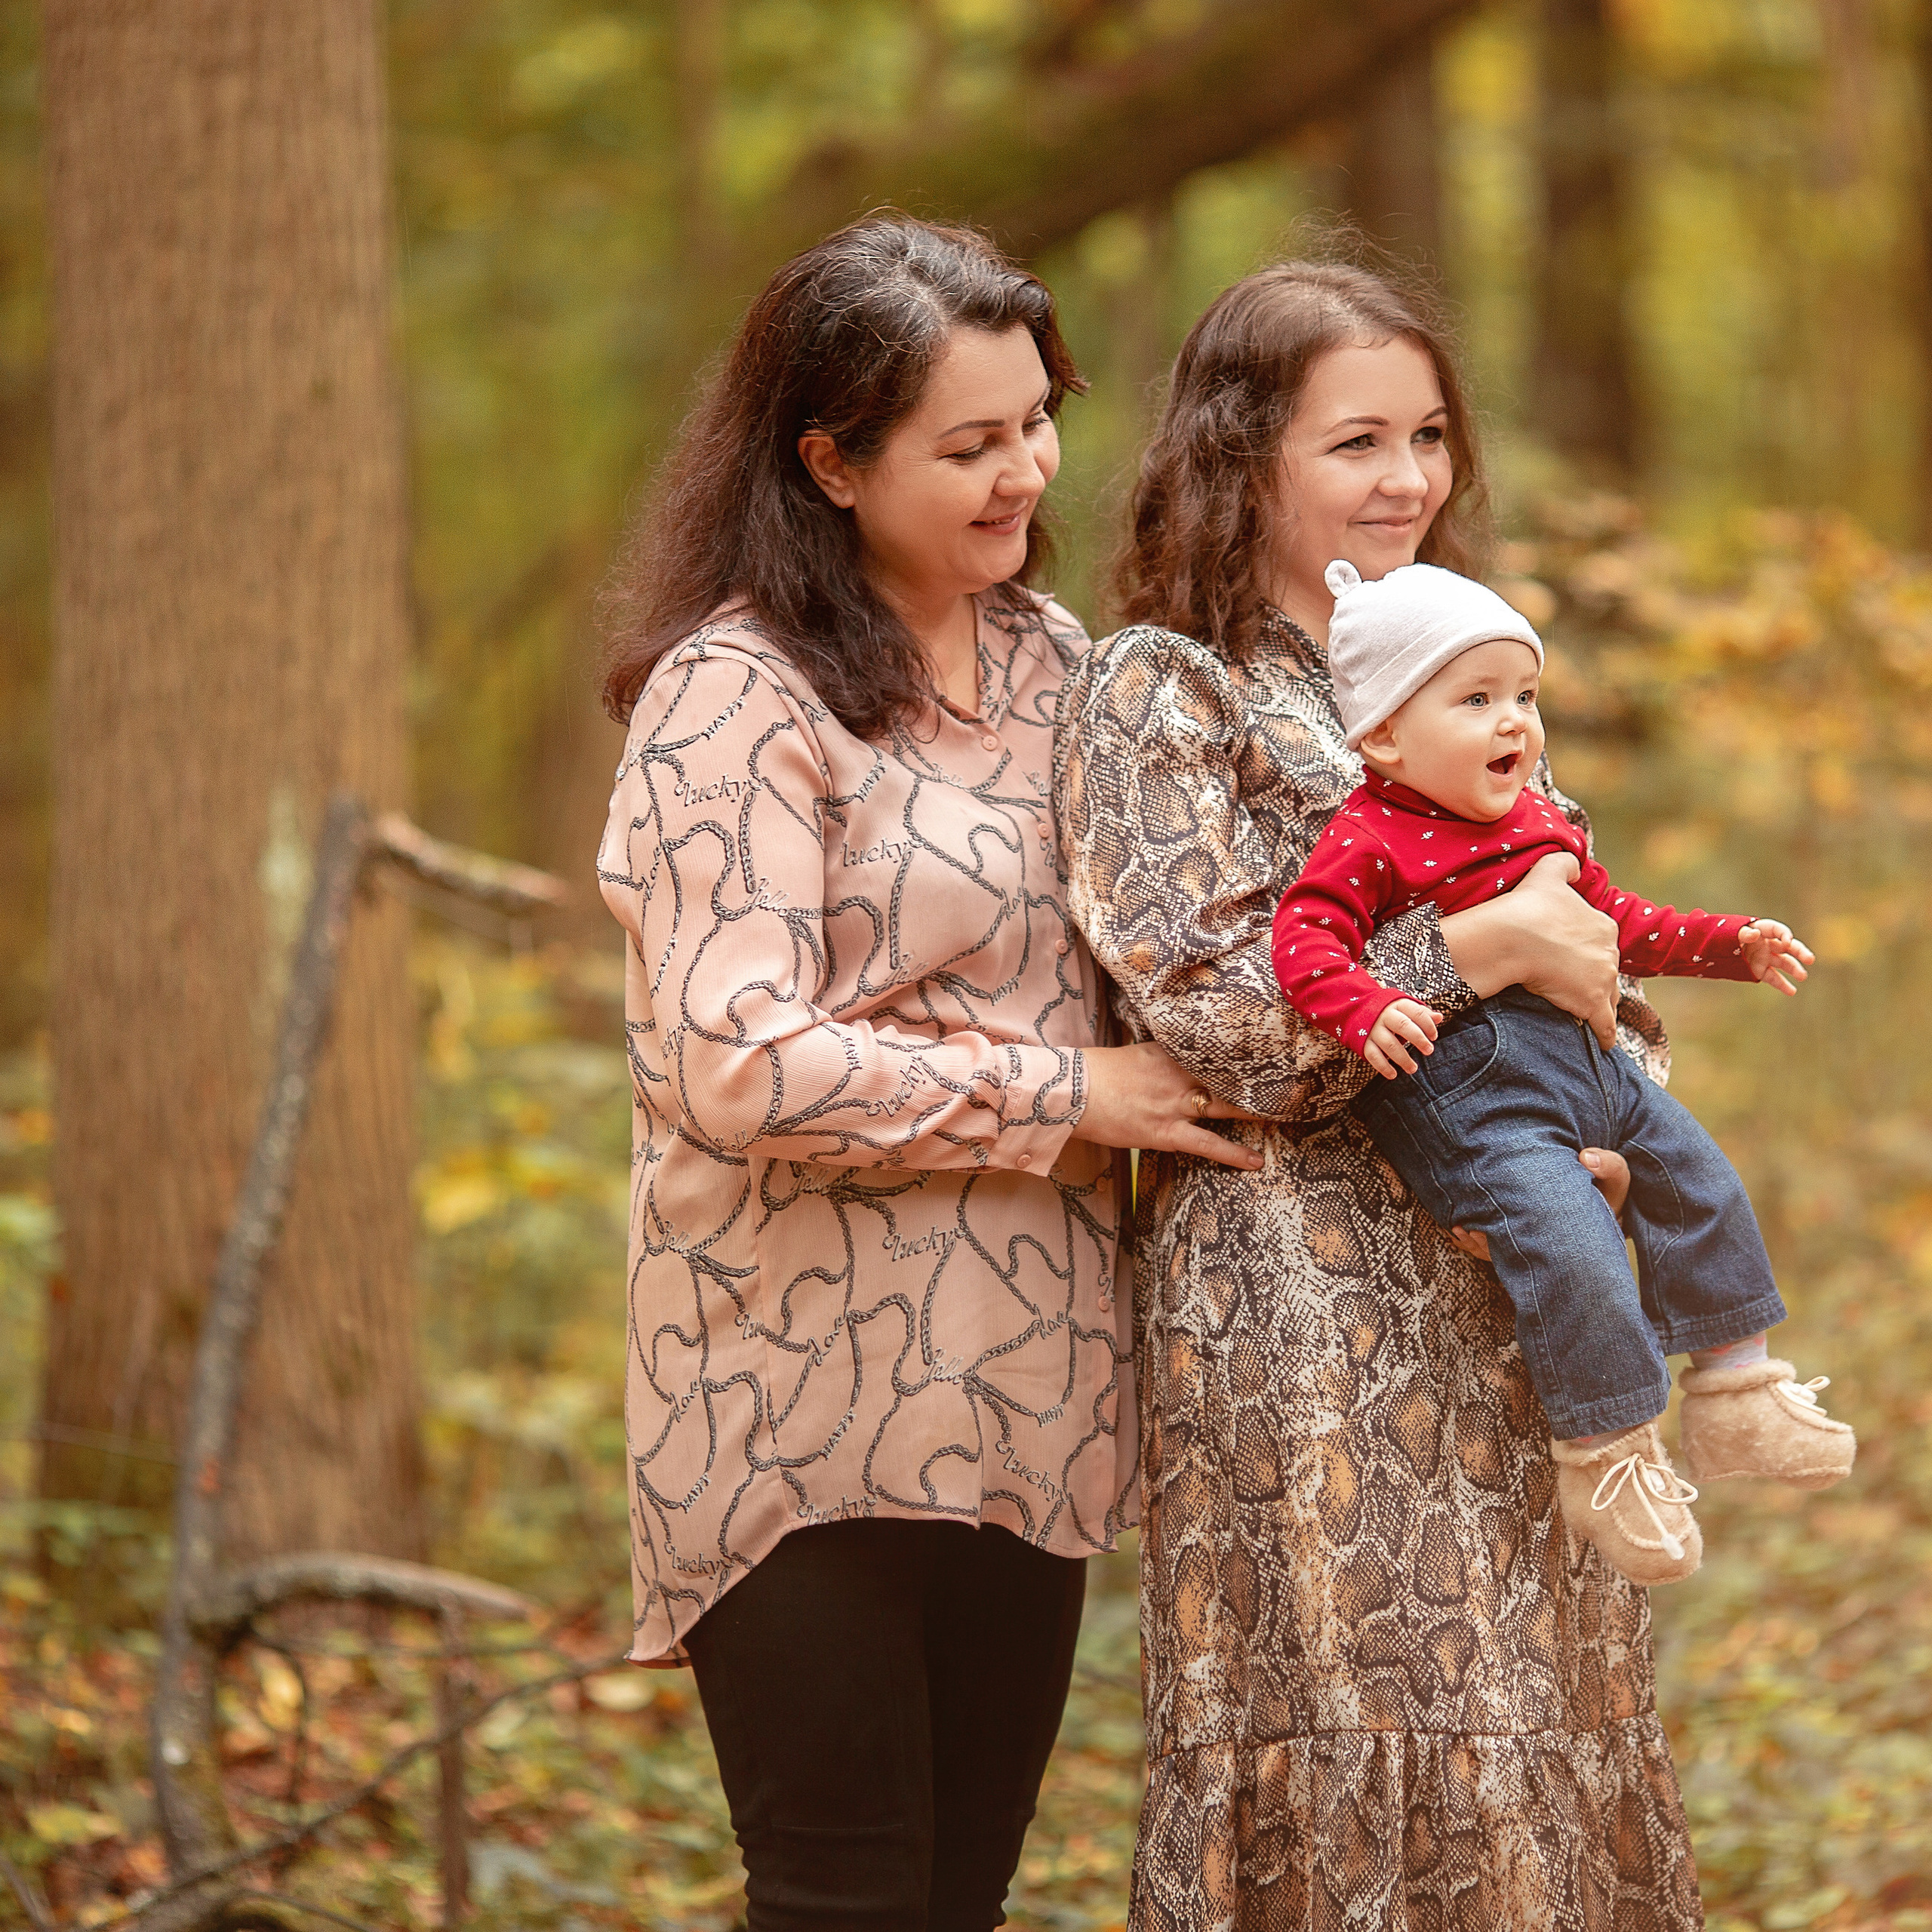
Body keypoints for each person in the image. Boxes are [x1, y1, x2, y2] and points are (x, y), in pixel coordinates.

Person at [595, 214, 1260, 1932]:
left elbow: (1204, 957)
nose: (1021, 471)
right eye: (964, 444)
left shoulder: (1060, 668)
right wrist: (1064, 1096)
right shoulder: (731, 699)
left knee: (958, 1896)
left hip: (1029, 1387)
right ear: (826, 459)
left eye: (1034, 420)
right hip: (792, 1394)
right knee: (841, 1896)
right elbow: (731, 1061)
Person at [1054, 258, 1712, 1926]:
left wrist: (1609, 1128)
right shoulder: (1161, 686)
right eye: (1356, 440)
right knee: (1362, 1714)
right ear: (1238, 455)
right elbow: (1222, 1024)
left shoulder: (1461, 669)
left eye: (1425, 434)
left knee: (1544, 1711)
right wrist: (1468, 949)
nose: (1406, 477)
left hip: (1519, 1283)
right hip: (1299, 1315)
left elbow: (1597, 959)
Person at [1271, 557, 1855, 1585]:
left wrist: (1730, 945)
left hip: (1589, 1063)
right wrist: (1365, 1006)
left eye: (1525, 697)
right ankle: (1613, 1454)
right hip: (1478, 1096)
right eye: (1478, 699)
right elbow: (1306, 940)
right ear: (1385, 736)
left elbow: (1620, 924)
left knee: (1699, 1179)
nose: (1515, 725)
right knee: (1574, 1249)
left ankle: (1737, 1390)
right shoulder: (1370, 837)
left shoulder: (1538, 817)